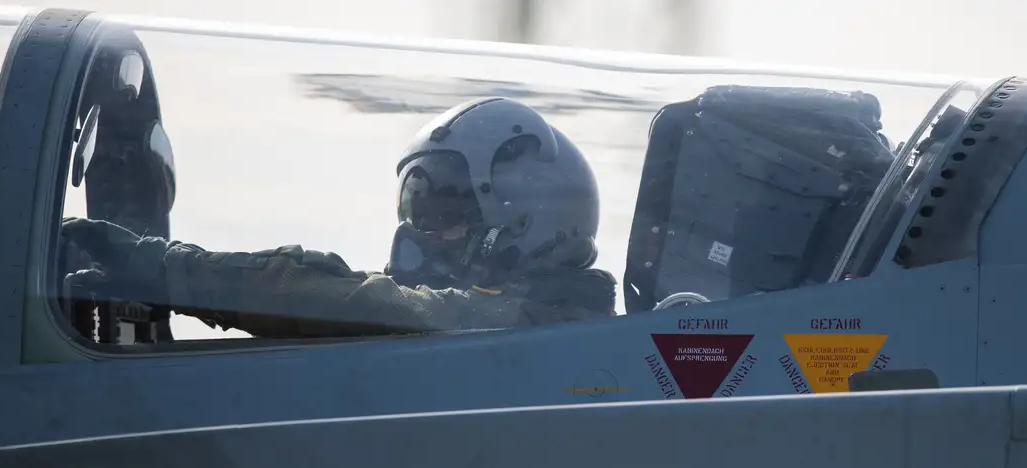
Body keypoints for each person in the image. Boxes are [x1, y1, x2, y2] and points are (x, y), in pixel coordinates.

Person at [61, 97, 618, 338]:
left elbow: (353, 300)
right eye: (415, 206)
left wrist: (167, 269)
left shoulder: (537, 328)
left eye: (443, 212)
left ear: (521, 223)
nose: (419, 233)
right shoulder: (506, 326)